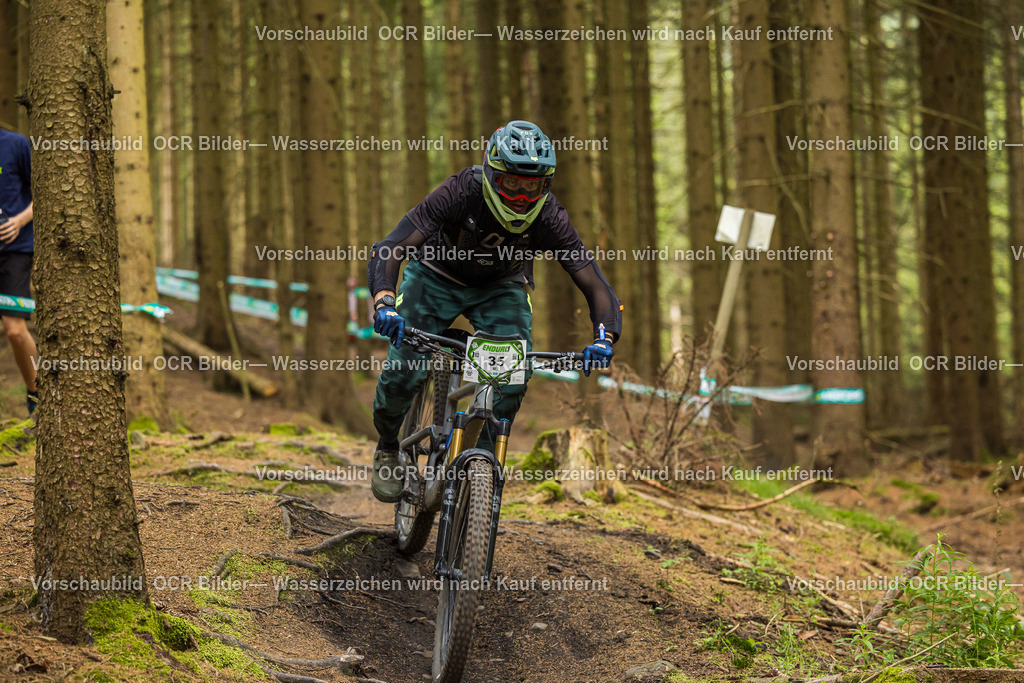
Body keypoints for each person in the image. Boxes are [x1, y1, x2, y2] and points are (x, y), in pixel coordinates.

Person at [366, 120, 622, 502]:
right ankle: (388, 446)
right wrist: (385, 300)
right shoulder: (459, 191)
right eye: (511, 184)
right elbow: (390, 247)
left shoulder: (550, 216)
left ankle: (478, 466)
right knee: (404, 369)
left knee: (512, 378)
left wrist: (605, 336)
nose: (520, 196)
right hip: (434, 276)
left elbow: (593, 281)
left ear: (545, 184)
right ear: (491, 174)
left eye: (530, 186)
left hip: (500, 289)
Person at [0, 127, 38, 415]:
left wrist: (20, 221)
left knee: (14, 330)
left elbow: (46, 192)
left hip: (16, 250)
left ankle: (37, 391)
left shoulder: (16, 144)